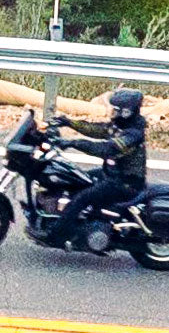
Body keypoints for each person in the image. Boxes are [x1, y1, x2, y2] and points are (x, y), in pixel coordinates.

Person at [46, 88, 148, 247]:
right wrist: (69, 122)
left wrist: (73, 143)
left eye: (115, 110)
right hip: (112, 175)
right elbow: (97, 130)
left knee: (82, 198)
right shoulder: (120, 126)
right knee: (76, 180)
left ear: (127, 112)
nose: (112, 112)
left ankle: (56, 235)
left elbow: (106, 149)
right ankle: (84, 223)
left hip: (126, 184)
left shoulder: (132, 134)